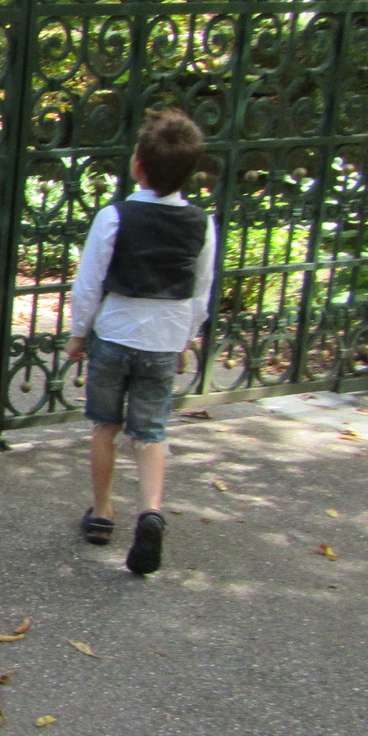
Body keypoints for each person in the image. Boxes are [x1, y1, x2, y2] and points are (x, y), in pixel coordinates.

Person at [66, 107, 217, 576]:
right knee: (151, 433)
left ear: (137, 166)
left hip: (115, 333)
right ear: (191, 173)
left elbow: (90, 281)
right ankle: (150, 511)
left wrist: (78, 333)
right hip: (163, 342)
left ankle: (102, 511)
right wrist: (186, 338)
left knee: (104, 426)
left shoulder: (114, 216)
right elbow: (201, 289)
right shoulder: (201, 223)